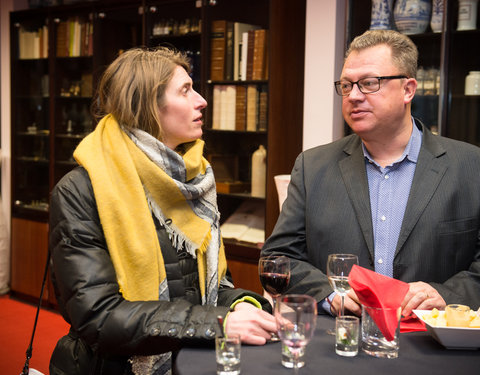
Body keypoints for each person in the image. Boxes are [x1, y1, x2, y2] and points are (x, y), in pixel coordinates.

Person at [49, 47, 276, 375]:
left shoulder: (193, 179)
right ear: (146, 105)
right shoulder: (80, 190)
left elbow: (211, 290)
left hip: (191, 362)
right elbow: (98, 317)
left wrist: (244, 305)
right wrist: (220, 323)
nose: (202, 101)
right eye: (185, 90)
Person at [261, 29, 480, 318]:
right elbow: (278, 258)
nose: (353, 96)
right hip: (341, 343)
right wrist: (329, 295)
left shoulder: (469, 166)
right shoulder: (313, 166)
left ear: (408, 89)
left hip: (433, 346)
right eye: (346, 85)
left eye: (368, 83)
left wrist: (445, 295)